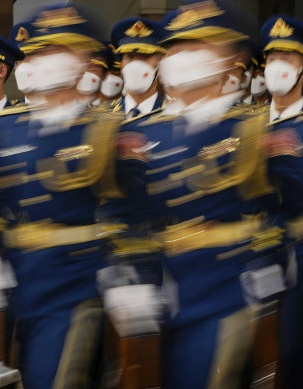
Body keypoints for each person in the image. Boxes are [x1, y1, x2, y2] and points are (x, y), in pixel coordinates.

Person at [115, 1, 295, 387]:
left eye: (199, 47)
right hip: (163, 291)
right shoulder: (145, 135)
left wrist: (266, 264)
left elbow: (284, 208)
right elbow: (132, 212)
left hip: (227, 289)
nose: (183, 57)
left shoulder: (254, 132)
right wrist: (133, 275)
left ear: (231, 59)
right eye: (177, 48)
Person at [0, 4, 124, 388]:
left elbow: (129, 209)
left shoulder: (106, 131)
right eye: (37, 53)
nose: (42, 62)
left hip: (75, 285)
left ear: (82, 59)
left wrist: (134, 273)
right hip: (16, 284)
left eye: (55, 52)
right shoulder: (10, 127)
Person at [260, 14, 303, 389]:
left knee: (290, 353)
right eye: (272, 58)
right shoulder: (247, 123)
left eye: (288, 58)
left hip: (297, 253)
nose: (278, 66)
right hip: (248, 252)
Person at [111, 18, 166, 118]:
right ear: (121, 64)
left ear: (161, 63)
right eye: (130, 57)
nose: (136, 65)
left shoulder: (172, 116)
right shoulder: (101, 116)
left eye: (146, 56)